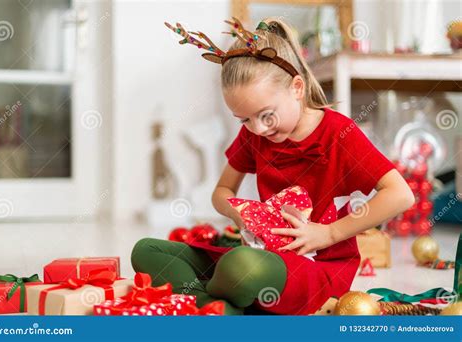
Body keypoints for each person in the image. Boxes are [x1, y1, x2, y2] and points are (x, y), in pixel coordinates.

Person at [131, 17, 415, 315]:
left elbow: (400, 195)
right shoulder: (255, 135)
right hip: (262, 253)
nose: (258, 129)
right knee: (148, 251)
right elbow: (222, 192)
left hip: (316, 266)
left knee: (239, 266)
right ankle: (220, 307)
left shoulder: (338, 134)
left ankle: (213, 302)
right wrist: (243, 215)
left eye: (266, 115)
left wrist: (329, 233)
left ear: (296, 87)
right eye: (244, 120)